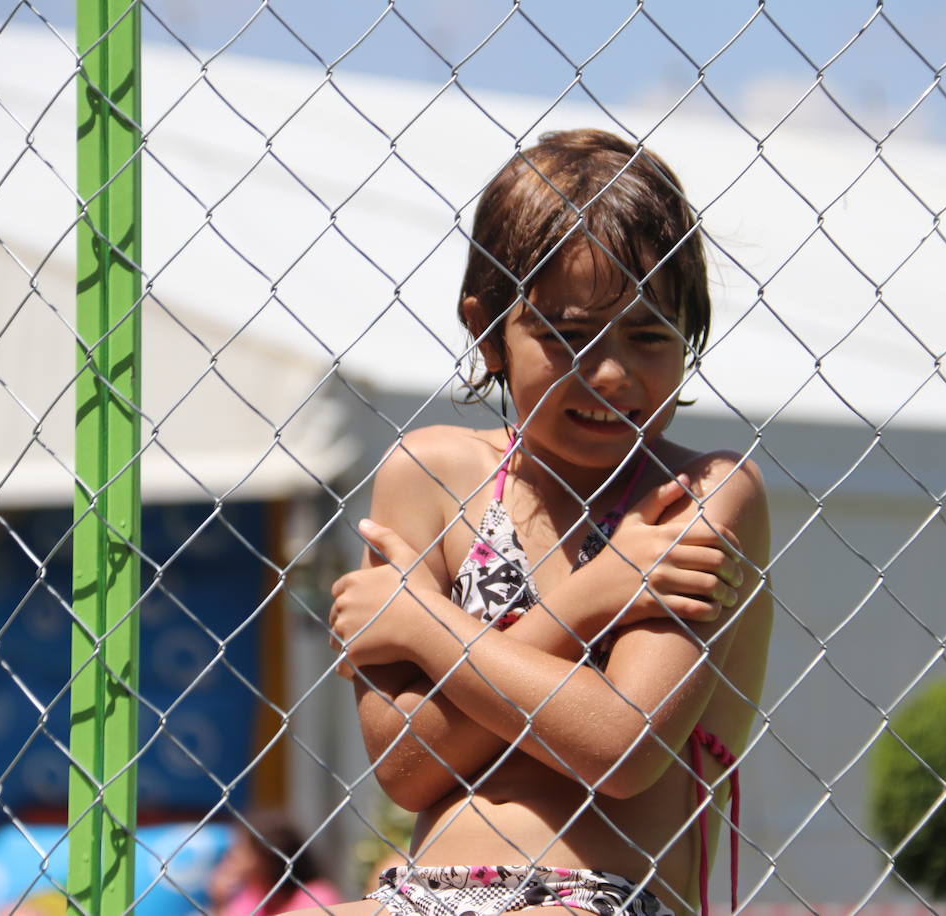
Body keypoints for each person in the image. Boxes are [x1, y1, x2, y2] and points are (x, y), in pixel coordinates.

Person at [307, 129, 772, 916]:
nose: (614, 372)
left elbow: (620, 747)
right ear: (488, 330)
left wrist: (425, 626)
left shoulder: (701, 492)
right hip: (422, 896)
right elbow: (407, 766)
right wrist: (599, 598)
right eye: (567, 335)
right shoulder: (431, 477)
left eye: (650, 334)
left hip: (602, 897)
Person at [207, 808, 343, 916]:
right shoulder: (252, 897)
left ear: (266, 858)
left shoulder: (316, 896)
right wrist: (220, 903)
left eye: (241, 849)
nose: (232, 857)